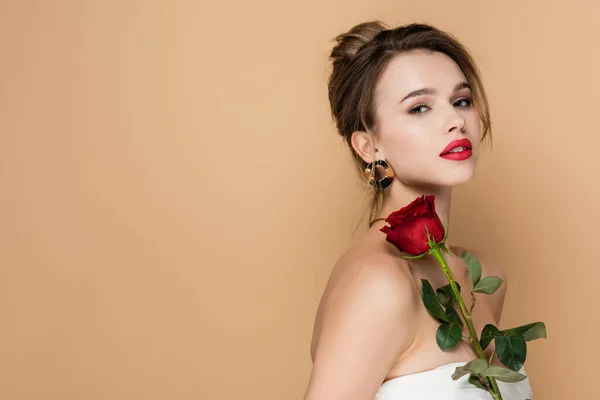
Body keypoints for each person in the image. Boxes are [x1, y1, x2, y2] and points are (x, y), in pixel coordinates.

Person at [303, 21, 533, 399]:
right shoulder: (380, 283)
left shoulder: (483, 278)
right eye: (420, 107)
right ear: (368, 145)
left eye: (461, 101)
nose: (456, 121)